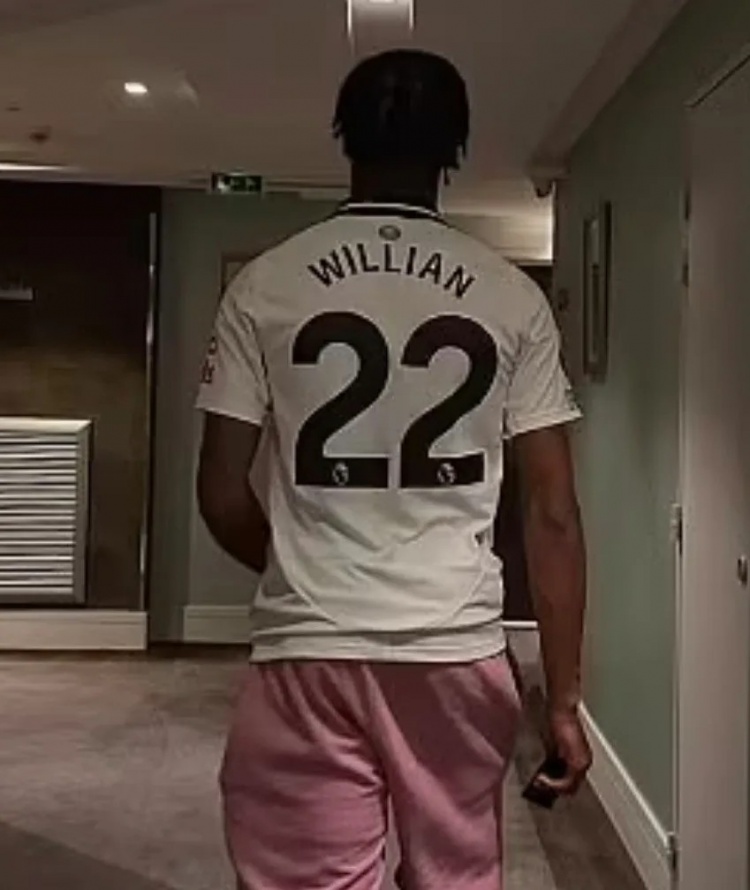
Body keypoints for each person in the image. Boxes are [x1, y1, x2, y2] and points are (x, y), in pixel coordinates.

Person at [197, 48, 591, 890]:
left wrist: (306, 567)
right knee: (455, 875)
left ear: (344, 136)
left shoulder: (263, 287)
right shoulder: (511, 297)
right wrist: (562, 700)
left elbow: (221, 492)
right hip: (455, 648)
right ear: (456, 149)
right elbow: (552, 514)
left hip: (309, 650)